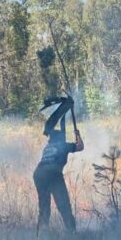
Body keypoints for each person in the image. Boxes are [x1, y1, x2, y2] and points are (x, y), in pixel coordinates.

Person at [33, 97, 83, 232]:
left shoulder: (48, 146)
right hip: (52, 173)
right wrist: (77, 135)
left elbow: (52, 125)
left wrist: (64, 108)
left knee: (44, 207)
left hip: (38, 173)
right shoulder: (63, 145)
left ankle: (41, 235)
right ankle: (72, 233)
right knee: (64, 205)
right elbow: (80, 147)